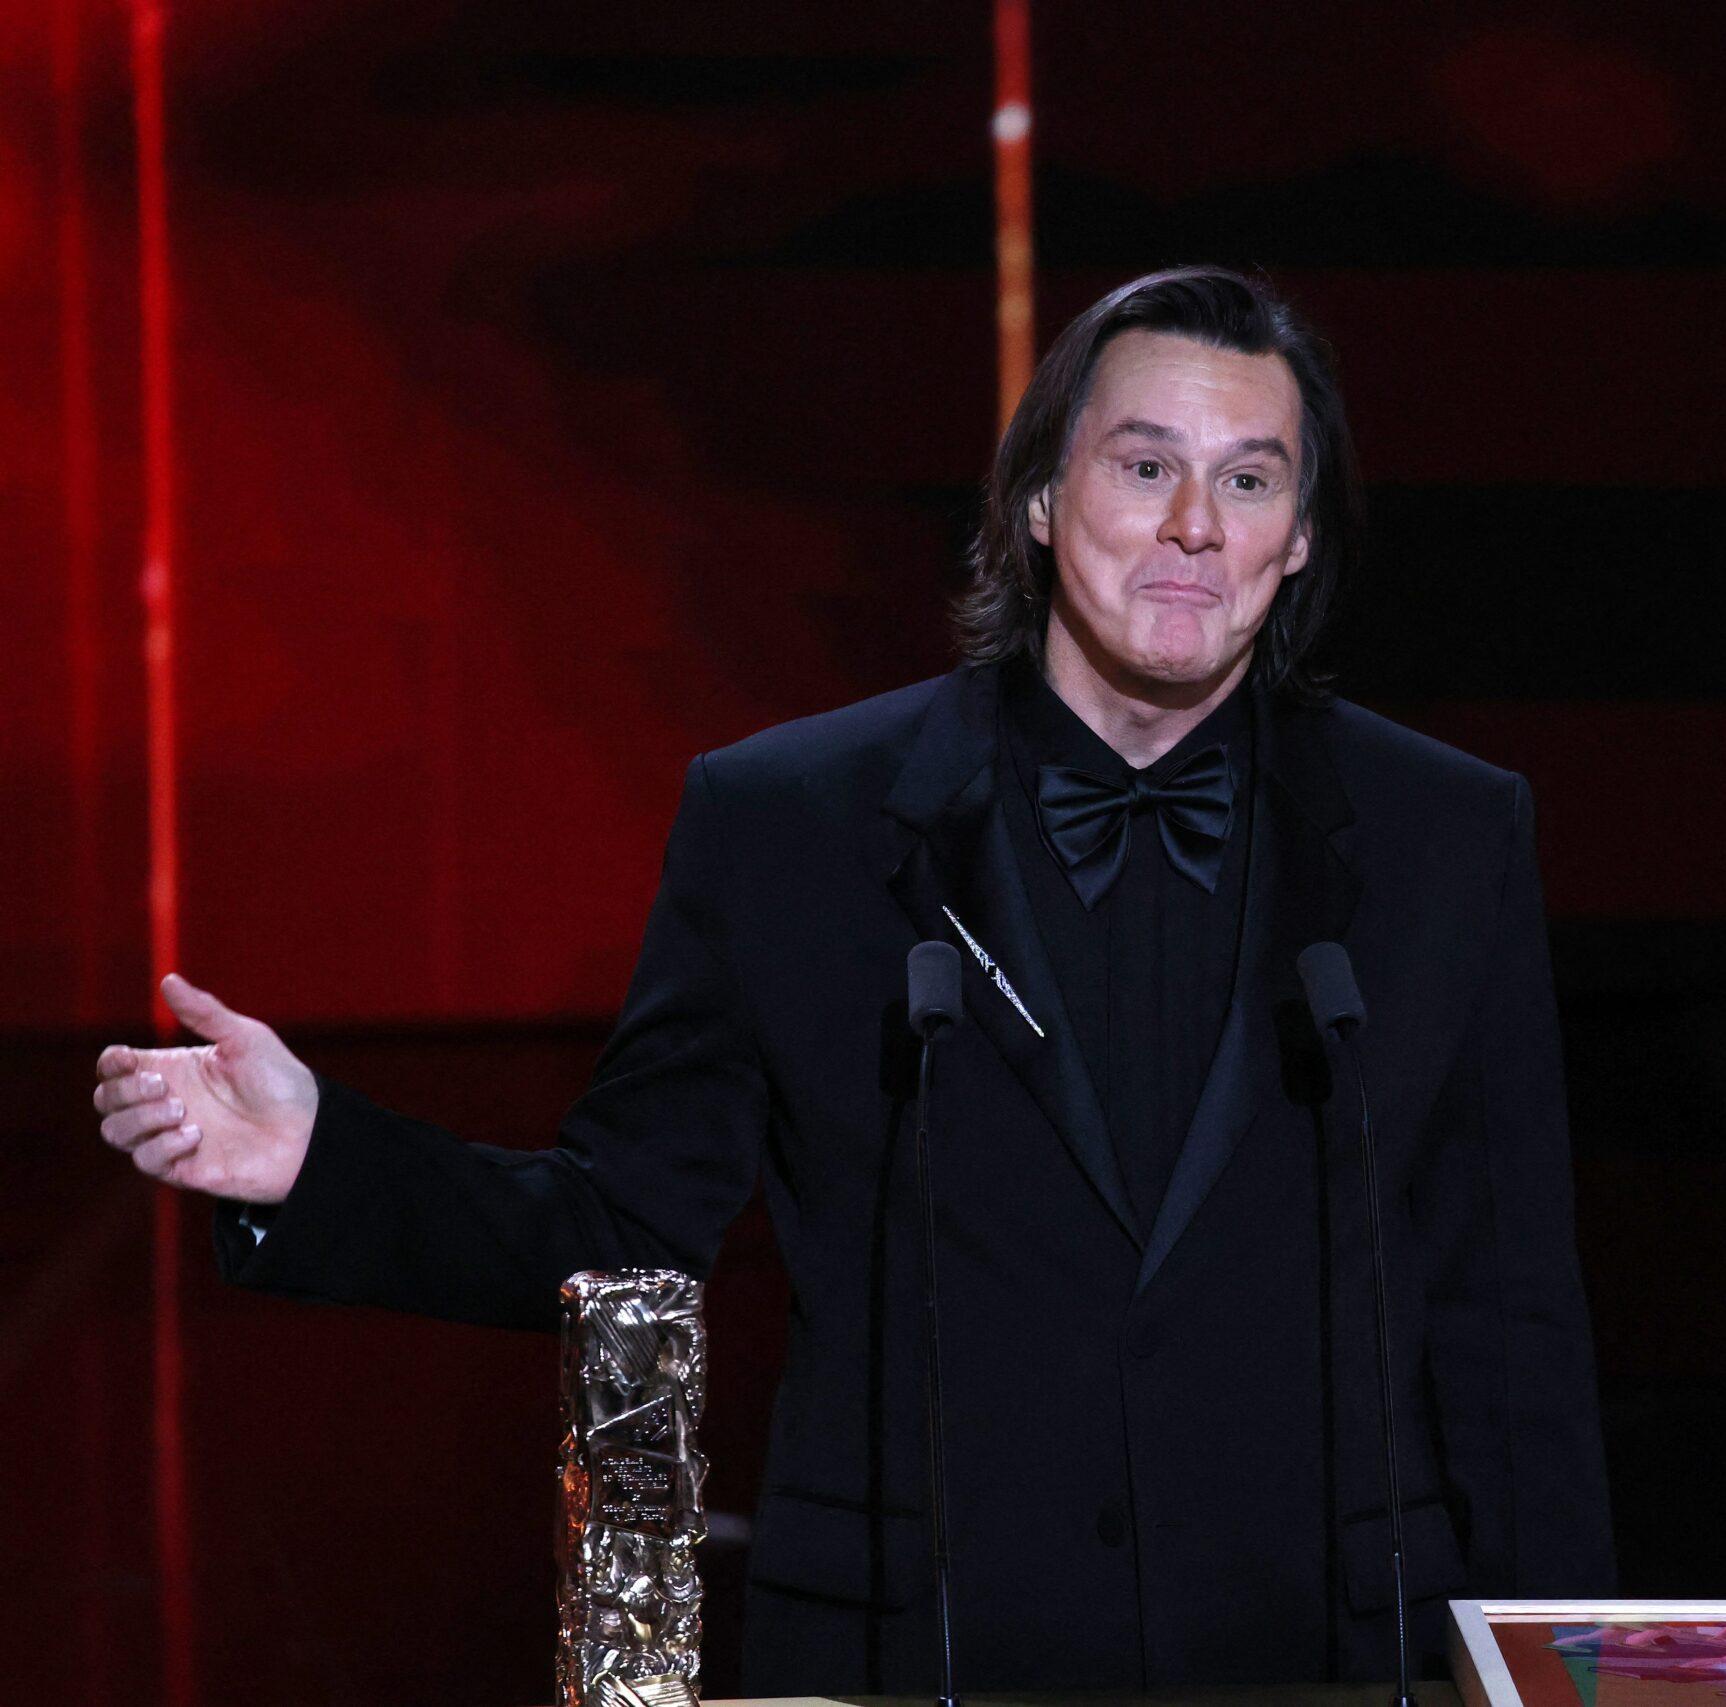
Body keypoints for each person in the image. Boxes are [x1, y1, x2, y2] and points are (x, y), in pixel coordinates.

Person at [90, 266, 1615, 1696]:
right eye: (1145, 465)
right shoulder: (790, 824)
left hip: (1329, 1651)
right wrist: (321, 1159)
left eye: (1250, 480)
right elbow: (627, 1228)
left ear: (1301, 540)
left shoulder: (1443, 840)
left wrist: (1569, 1676)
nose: (1194, 527)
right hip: (912, 1647)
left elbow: (1514, 1325)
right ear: (1039, 499)